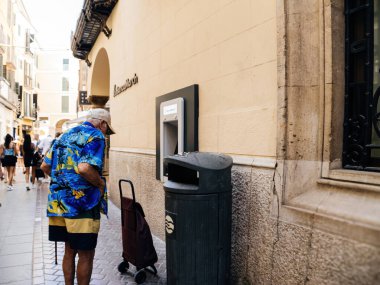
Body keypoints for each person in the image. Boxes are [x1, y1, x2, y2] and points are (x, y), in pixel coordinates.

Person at [40, 108, 115, 285]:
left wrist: (64, 181)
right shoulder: (95, 136)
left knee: (69, 250)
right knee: (86, 254)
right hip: (82, 204)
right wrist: (100, 183)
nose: (106, 133)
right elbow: (84, 168)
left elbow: (45, 165)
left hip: (59, 204)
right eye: (107, 129)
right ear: (102, 123)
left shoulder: (63, 136)